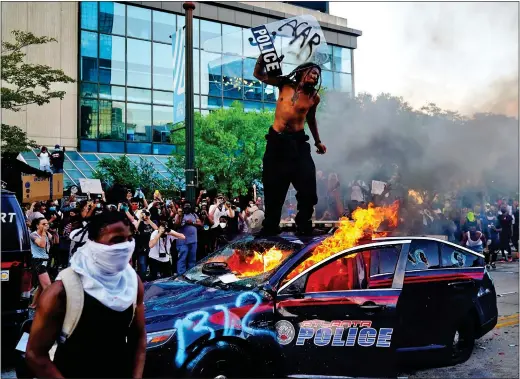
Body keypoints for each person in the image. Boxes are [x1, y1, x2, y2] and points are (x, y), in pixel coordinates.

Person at [25, 211, 146, 378]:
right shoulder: (62, 291)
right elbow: (35, 354)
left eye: (129, 239)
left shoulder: (132, 282)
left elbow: (138, 338)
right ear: (94, 243)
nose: (125, 246)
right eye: (117, 240)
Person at [254, 57, 326, 236]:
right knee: (273, 187)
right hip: (276, 143)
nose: (315, 76)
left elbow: (311, 119)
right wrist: (263, 60)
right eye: (312, 72)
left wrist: (317, 141)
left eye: (317, 75)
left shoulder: (313, 98)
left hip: (299, 144)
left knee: (308, 186)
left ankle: (304, 224)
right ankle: (271, 226)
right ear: (302, 72)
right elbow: (258, 75)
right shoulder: (284, 84)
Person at [29, 217, 55, 308]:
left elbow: (55, 242)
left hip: (45, 260)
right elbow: (42, 245)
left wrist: (53, 233)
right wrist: (44, 233)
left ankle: (33, 305)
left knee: (41, 286)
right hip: (38, 261)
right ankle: (47, 308)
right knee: (47, 286)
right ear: (37, 225)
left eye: (47, 224)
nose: (46, 226)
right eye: (43, 224)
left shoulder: (47, 234)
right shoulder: (33, 235)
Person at [174, 202, 201, 275]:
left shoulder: (194, 215)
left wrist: (191, 223)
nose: (187, 208)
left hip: (193, 241)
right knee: (182, 258)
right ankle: (181, 275)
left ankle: (190, 275)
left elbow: (200, 224)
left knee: (192, 259)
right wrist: (180, 217)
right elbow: (176, 225)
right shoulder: (179, 215)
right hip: (182, 242)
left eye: (188, 206)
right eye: (185, 207)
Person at [135, 209, 158, 280]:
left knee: (153, 264)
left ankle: (153, 278)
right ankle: (143, 279)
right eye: (144, 214)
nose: (146, 216)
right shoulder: (140, 224)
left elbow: (157, 229)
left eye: (147, 214)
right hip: (143, 247)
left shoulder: (153, 222)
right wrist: (140, 218)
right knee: (142, 264)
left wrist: (148, 220)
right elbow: (135, 229)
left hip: (152, 248)